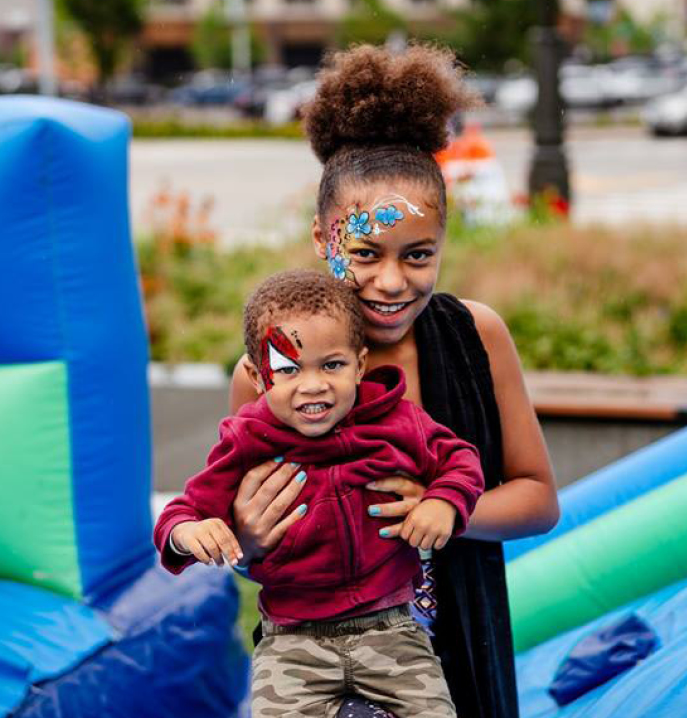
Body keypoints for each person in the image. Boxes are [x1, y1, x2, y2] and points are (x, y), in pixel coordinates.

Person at [226, 44, 560, 718]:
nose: (390, 281)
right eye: (364, 252)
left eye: (418, 255)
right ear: (322, 238)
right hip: (320, 667)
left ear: (443, 240)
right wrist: (247, 539)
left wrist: (444, 509)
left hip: (460, 644)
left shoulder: (477, 337)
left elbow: (538, 499)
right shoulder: (271, 367)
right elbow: (247, 544)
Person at [153, 269, 486, 717]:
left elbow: (460, 458)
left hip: (390, 632)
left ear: (360, 365)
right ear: (256, 376)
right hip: (292, 644)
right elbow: (183, 511)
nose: (313, 384)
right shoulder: (248, 440)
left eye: (332, 365)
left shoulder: (395, 421)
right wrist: (188, 533)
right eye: (288, 369)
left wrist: (444, 500)